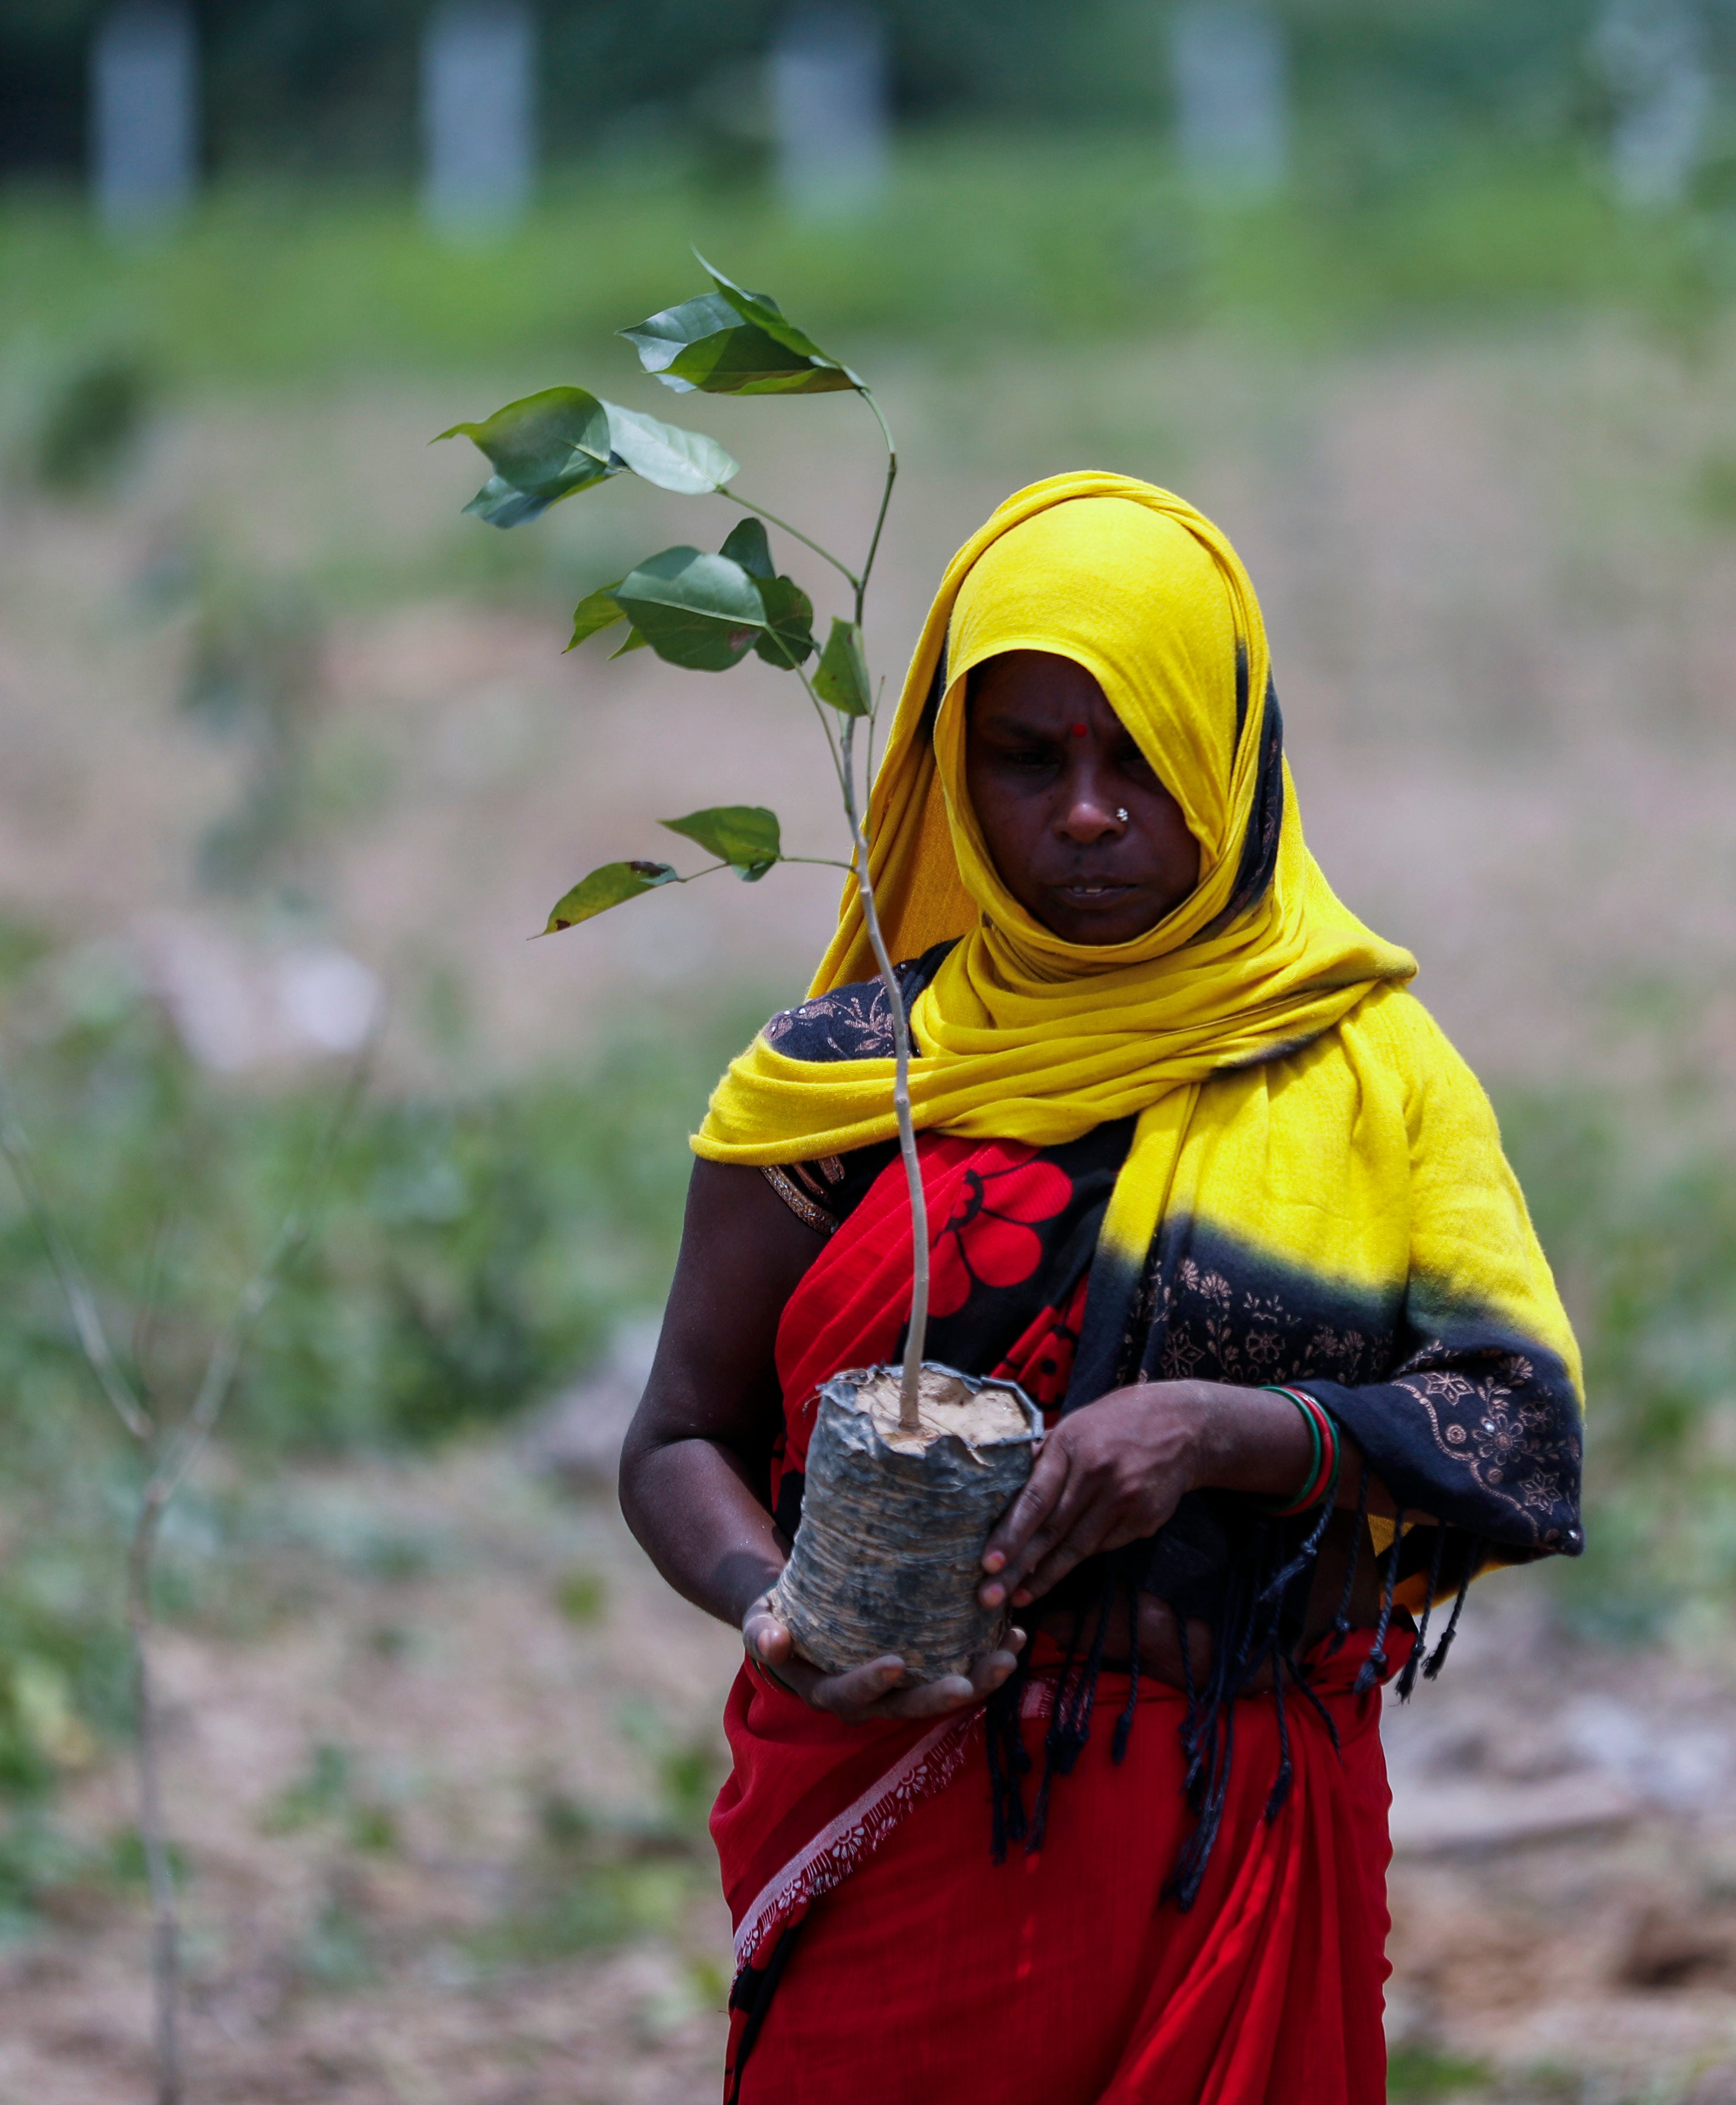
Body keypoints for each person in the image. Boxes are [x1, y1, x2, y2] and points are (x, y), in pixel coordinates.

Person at [619, 472, 1586, 2104]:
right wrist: (765, 1607)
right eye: (1027, 759)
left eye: (1140, 754)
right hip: (904, 1825)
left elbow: (1519, 1436)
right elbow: (676, 1438)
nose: (1084, 813)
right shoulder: (850, 1081)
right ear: (945, 774)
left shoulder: (1371, 1069)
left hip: (1235, 1842)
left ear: (1230, 756)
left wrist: (1226, 1428)